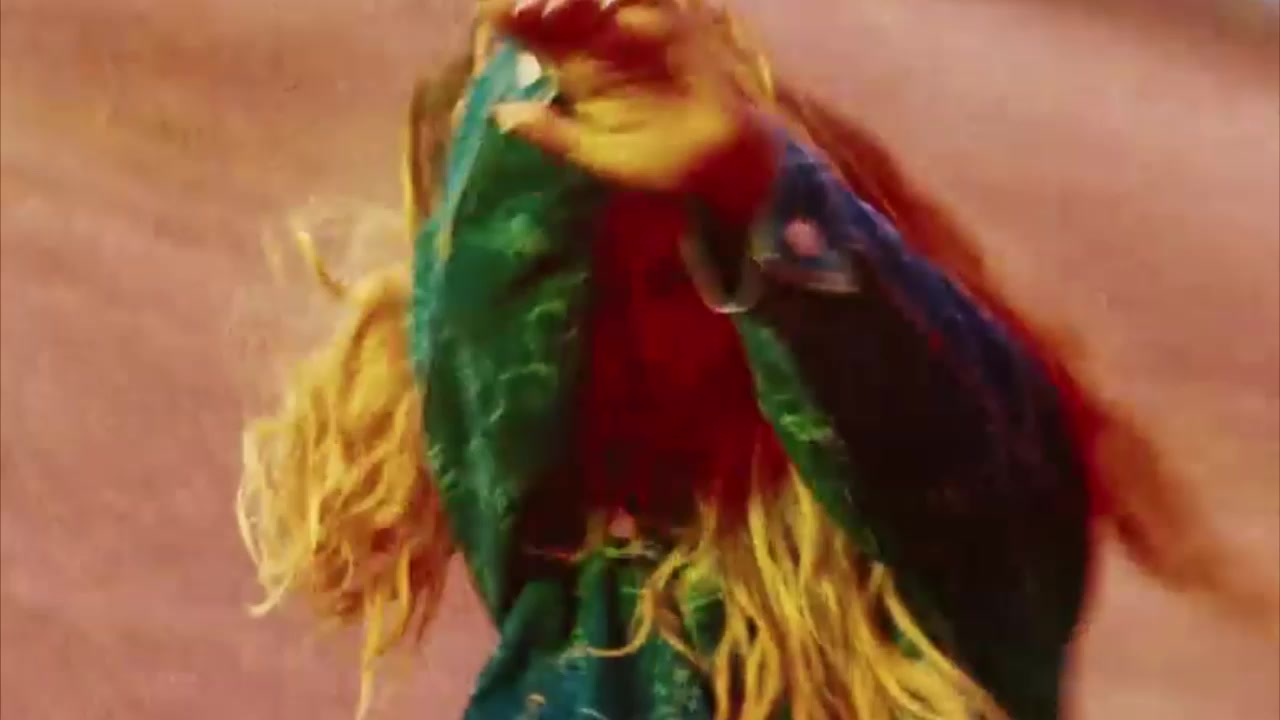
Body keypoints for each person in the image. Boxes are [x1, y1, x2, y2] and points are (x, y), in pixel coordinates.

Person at [236, 1, 1217, 718]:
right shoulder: (579, 572)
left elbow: (940, 418)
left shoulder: (956, 568)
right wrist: (537, 82)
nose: (635, 350)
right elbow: (488, 345)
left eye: (679, 281)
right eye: (587, 313)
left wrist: (748, 181)